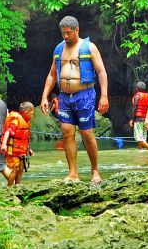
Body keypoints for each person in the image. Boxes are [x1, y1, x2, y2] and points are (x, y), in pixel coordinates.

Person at [39, 15, 110, 183]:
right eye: (63, 33)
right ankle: (73, 173)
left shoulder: (89, 47)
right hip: (64, 97)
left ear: (77, 30)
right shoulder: (58, 49)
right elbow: (52, 74)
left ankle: (95, 171)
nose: (65, 36)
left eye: (68, 33)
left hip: (84, 94)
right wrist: (44, 96)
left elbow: (101, 72)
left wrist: (104, 96)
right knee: (66, 132)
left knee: (87, 133)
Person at [0, 102, 35, 186]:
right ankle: (9, 188)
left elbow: (24, 139)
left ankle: (18, 186)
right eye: (32, 113)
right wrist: (4, 144)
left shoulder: (26, 123)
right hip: (13, 152)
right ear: (26, 113)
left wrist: (29, 149)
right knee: (15, 169)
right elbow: (8, 132)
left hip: (21, 152)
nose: (32, 116)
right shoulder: (16, 121)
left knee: (21, 170)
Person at [128, 81, 148, 150]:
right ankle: (140, 150)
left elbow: (134, 108)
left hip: (138, 119)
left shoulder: (137, 96)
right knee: (143, 137)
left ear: (137, 88)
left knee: (138, 138)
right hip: (145, 119)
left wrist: (131, 119)